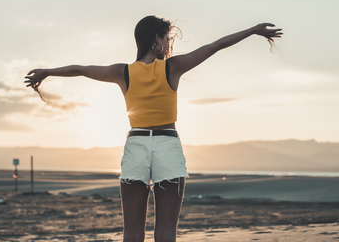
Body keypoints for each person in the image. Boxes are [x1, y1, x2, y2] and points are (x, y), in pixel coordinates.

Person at [24, 15, 282, 242]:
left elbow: (79, 69)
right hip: (167, 145)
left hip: (136, 146)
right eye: (167, 39)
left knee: (132, 235)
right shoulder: (172, 67)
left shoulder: (122, 72)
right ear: (156, 40)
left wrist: (46, 72)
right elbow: (215, 46)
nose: (169, 45)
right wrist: (252, 31)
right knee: (166, 234)